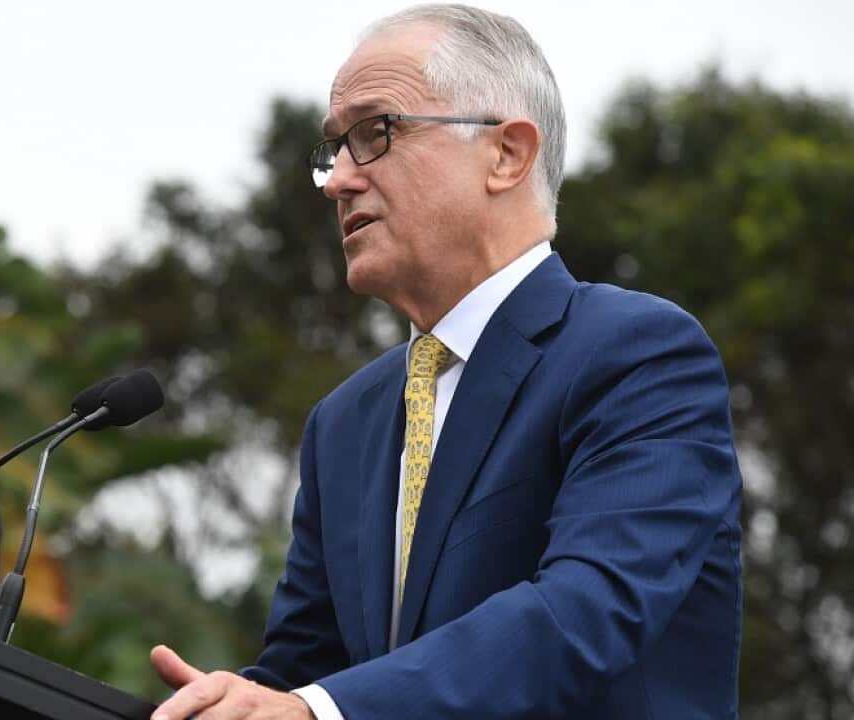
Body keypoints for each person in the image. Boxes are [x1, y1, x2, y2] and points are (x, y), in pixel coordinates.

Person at [149, 4, 742, 719]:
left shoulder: (638, 354)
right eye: (334, 148)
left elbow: (584, 611)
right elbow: (306, 679)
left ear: (506, 154)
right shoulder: (343, 424)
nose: (338, 180)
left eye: (375, 133)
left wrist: (318, 710)